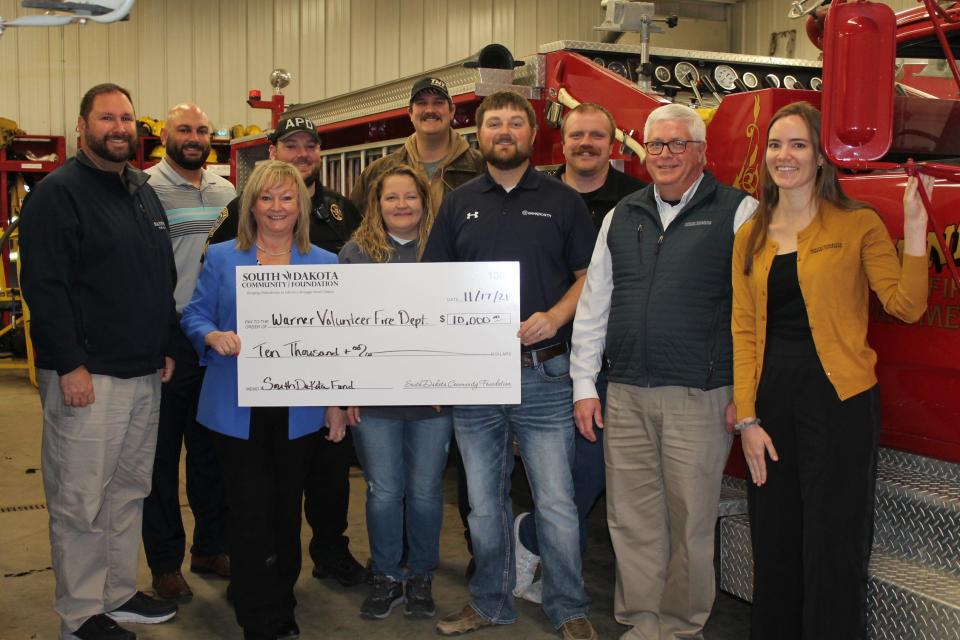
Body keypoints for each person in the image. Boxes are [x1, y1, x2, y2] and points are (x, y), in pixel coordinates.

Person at [731, 101, 931, 640]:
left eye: (798, 144)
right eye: (775, 144)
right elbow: (743, 331)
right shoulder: (749, 235)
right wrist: (746, 420)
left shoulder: (857, 222)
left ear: (822, 156)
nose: (784, 155)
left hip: (841, 405)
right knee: (774, 543)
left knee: (834, 545)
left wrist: (915, 230)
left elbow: (905, 305)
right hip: (771, 407)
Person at [569, 102, 758, 640]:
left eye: (679, 145)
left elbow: (750, 311)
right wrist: (585, 386)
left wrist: (744, 393)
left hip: (699, 395)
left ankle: (680, 626)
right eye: (656, 145)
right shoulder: (621, 215)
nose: (666, 155)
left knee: (690, 520)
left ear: (701, 153)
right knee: (631, 519)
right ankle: (640, 621)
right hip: (625, 391)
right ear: (643, 152)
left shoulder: (739, 212)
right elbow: (594, 305)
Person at [424, 90, 599, 640]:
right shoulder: (456, 203)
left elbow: (589, 279)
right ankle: (490, 603)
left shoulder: (562, 200)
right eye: (493, 123)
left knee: (556, 502)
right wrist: (439, 368)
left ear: (532, 134)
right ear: (479, 135)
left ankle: (568, 607)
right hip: (475, 377)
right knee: (482, 504)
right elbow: (433, 287)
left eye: (514, 123)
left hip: (544, 372)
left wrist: (554, 317)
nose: (504, 131)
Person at [19, 83, 179, 640]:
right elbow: (45, 285)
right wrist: (68, 365)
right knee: (80, 498)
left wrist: (162, 344)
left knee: (127, 488)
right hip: (89, 376)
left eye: (127, 118)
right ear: (82, 124)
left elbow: (159, 275)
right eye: (107, 117)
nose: (119, 127)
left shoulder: (139, 188)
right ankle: (81, 612)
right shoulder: (57, 193)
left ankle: (117, 592)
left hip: (141, 371)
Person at [182, 160, 339, 640]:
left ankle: (283, 599)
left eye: (286, 198)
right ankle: (256, 614)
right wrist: (212, 337)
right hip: (236, 408)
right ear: (250, 206)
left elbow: (337, 340)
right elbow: (194, 315)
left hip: (300, 411)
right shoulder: (225, 257)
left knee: (287, 512)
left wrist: (336, 401)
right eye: (266, 198)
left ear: (301, 206)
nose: (276, 207)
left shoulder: (325, 264)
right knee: (250, 512)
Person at [207, 115, 367, 587]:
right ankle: (255, 584)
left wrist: (342, 391)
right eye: (291, 145)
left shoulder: (339, 219)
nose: (302, 153)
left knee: (322, 488)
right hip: (248, 393)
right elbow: (210, 300)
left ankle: (322, 559)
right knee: (256, 501)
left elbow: (352, 307)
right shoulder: (235, 225)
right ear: (273, 151)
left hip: (312, 393)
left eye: (310, 145)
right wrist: (216, 337)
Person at [351, 74, 485, 577]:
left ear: (454, 111)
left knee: (434, 486)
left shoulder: (479, 166)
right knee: (386, 488)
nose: (430, 109)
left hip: (437, 386)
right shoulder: (381, 170)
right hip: (381, 389)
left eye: (439, 102)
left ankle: (445, 564)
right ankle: (390, 567)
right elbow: (352, 302)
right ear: (410, 113)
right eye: (421, 103)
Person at [514, 102, 646, 604]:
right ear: (561, 143)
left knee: (587, 473)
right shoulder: (534, 195)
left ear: (612, 144)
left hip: (610, 364)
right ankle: (542, 554)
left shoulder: (638, 201)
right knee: (556, 477)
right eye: (576, 135)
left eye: (596, 135)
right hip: (545, 361)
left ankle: (530, 539)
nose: (585, 143)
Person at [339, 165, 453, 620]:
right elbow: (340, 328)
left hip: (434, 400)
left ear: (425, 203)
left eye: (411, 197)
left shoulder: (444, 252)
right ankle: (387, 575)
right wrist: (346, 392)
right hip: (375, 399)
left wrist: (454, 379)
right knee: (384, 490)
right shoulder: (355, 254)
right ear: (376, 204)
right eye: (392, 198)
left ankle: (422, 575)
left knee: (425, 491)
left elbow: (459, 322)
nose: (402, 205)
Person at [143, 103, 237, 602]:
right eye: (185, 129)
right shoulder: (145, 190)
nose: (195, 137)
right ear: (164, 134)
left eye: (202, 130)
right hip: (171, 338)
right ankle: (164, 563)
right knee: (160, 461)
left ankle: (210, 547)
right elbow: (142, 274)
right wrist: (158, 339)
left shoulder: (227, 192)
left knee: (212, 453)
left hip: (218, 342)